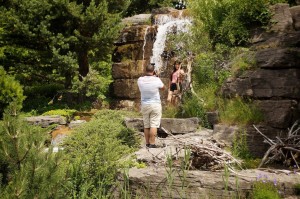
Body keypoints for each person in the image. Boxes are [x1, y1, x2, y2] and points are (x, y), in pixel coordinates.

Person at [137, 64, 165, 148]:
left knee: (146, 125)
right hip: (155, 104)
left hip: (145, 105)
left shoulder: (140, 80)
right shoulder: (157, 80)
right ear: (153, 71)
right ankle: (152, 144)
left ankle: (147, 143)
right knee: (154, 125)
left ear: (145, 70)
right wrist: (156, 77)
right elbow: (163, 88)